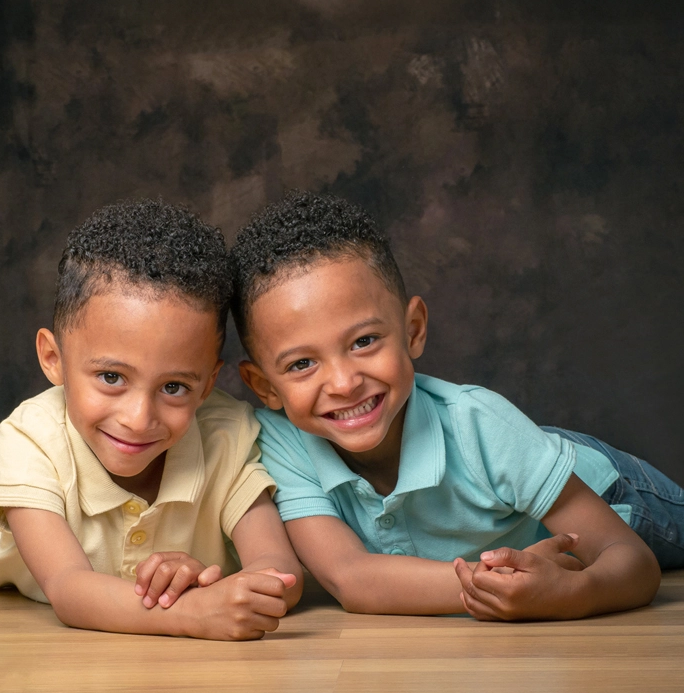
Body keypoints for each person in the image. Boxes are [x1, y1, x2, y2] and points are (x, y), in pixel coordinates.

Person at [230, 190, 683, 621]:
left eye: (364, 341)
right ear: (264, 386)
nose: (345, 383)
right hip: (512, 489)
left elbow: (633, 563)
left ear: (413, 330)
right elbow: (353, 578)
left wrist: (570, 593)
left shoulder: (480, 423)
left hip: (604, 489)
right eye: (302, 363)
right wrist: (494, 585)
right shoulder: (282, 443)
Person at [0, 199, 302, 640]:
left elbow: (282, 572)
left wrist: (213, 583)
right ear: (53, 358)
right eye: (111, 377)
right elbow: (68, 589)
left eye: (174, 387)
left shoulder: (225, 433)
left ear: (209, 383)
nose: (139, 419)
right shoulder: (30, 438)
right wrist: (194, 612)